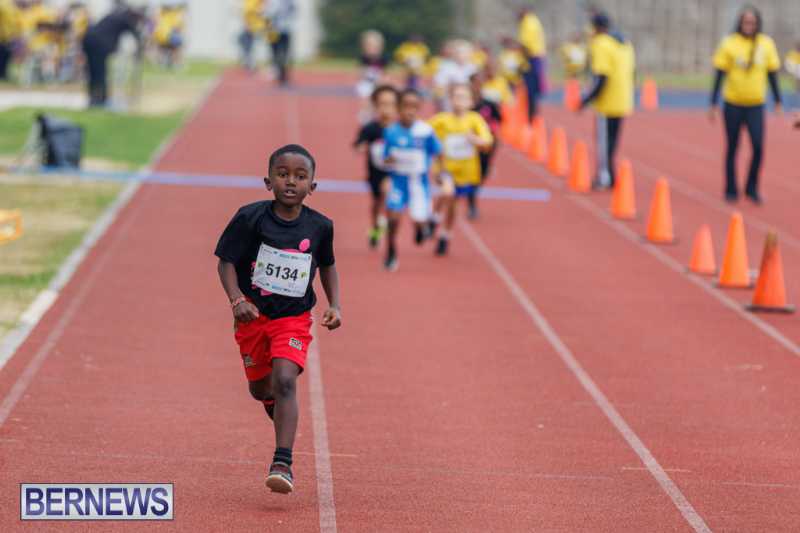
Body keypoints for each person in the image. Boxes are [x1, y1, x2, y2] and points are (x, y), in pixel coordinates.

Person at [215, 144, 342, 495]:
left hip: (294, 318)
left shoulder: (320, 226)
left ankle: (282, 462)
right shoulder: (250, 218)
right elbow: (225, 261)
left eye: (300, 177)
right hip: (252, 316)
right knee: (261, 388)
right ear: (268, 181)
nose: (291, 182)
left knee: (286, 379)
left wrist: (336, 304)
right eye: (282, 174)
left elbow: (328, 265)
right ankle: (272, 403)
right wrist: (236, 299)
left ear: (312, 186)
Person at [709, 5, 781, 204]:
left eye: (752, 22)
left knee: (758, 146)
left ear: (757, 23)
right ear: (740, 23)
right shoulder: (729, 43)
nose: (749, 25)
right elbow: (719, 74)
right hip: (733, 103)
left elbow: (772, 73)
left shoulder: (766, 44)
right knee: (733, 146)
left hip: (756, 105)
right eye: (745, 22)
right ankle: (731, 188)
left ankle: (751, 187)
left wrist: (777, 100)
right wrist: (713, 103)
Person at [382, 88, 444, 271]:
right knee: (393, 218)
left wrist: (441, 173)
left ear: (419, 109)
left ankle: (419, 227)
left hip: (419, 182)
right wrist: (388, 161)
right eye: (405, 106)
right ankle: (391, 250)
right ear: (398, 108)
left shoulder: (425, 131)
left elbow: (438, 152)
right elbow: (385, 157)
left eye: (414, 107)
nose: (409, 111)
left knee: (419, 218)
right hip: (398, 182)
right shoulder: (391, 132)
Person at [429, 83, 493, 248]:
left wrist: (476, 140)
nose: (459, 101)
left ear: (471, 102)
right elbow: (423, 130)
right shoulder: (442, 119)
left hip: (466, 171)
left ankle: (445, 234)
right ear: (450, 100)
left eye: (464, 97)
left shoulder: (475, 120)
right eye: (456, 97)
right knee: (447, 193)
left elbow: (487, 141)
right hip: (445, 168)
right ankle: (435, 218)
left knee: (453, 204)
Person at [578, 12, 635, 190]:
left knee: (604, 142)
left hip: (608, 101)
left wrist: (586, 99)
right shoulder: (625, 44)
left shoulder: (602, 44)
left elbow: (601, 77)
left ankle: (605, 177)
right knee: (612, 141)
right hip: (623, 99)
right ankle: (610, 174)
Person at [353, 84, 398, 249]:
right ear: (376, 106)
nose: (386, 109)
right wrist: (362, 146)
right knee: (376, 202)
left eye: (391, 104)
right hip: (374, 172)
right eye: (382, 104)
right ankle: (375, 226)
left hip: (395, 174)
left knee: (387, 194)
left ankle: (387, 223)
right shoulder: (370, 128)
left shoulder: (399, 129)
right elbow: (357, 144)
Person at [81, 2, 143, 107]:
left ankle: (93, 98)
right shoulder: (125, 18)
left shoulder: (115, 15)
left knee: (93, 72)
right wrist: (139, 52)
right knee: (100, 72)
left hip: (88, 40)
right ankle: (100, 100)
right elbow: (135, 34)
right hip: (98, 44)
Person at [471, 71, 502, 218]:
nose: (478, 86)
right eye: (475, 82)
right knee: (472, 173)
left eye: (480, 83)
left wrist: (490, 131)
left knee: (482, 173)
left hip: (487, 143)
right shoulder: (467, 105)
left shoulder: (489, 103)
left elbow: (500, 119)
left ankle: (474, 192)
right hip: (470, 145)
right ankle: (472, 203)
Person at [517, 7, 547, 120]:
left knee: (530, 91)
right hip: (538, 57)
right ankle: (533, 116)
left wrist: (521, 63)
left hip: (532, 59)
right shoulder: (534, 20)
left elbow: (526, 45)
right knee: (534, 92)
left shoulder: (527, 22)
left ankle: (531, 118)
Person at [355, 29, 388, 123]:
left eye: (375, 47)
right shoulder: (364, 58)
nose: (372, 49)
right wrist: (366, 75)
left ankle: (376, 116)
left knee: (378, 100)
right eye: (369, 46)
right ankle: (365, 116)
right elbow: (360, 71)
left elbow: (384, 73)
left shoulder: (382, 59)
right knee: (366, 99)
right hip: (366, 83)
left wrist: (382, 81)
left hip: (377, 83)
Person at [265, 0, 295, 86]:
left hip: (282, 30)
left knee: (282, 54)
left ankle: (282, 74)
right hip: (275, 31)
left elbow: (269, 14)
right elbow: (267, 14)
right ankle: (279, 72)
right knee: (277, 53)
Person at [153, 1, 185, 69]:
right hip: (167, 36)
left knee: (162, 48)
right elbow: (178, 28)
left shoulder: (161, 14)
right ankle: (177, 63)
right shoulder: (174, 15)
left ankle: (162, 62)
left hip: (160, 36)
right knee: (177, 46)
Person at [0, 0, 21, 80]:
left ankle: (3, 75)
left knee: (5, 57)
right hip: (4, 35)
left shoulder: (9, 4)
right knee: (3, 57)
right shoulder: (4, 4)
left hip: (8, 36)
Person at [784, 42, 800, 109]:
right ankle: (794, 105)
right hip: (793, 76)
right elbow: (788, 64)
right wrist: (793, 71)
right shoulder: (792, 54)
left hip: (797, 75)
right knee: (794, 90)